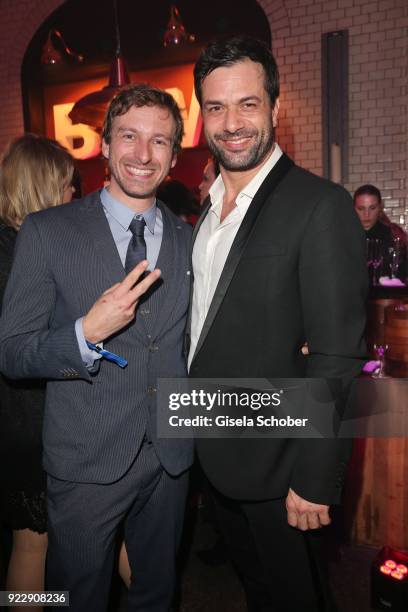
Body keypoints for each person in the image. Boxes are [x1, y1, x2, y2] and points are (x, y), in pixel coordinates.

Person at [188, 36, 367, 611]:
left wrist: (316, 475)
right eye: (216, 107)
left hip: (280, 458)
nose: (232, 122)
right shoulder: (207, 210)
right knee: (255, 590)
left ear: (274, 108)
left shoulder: (319, 204)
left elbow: (339, 354)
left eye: (247, 104)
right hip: (211, 450)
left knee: (297, 598)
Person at [0, 84, 193, 611]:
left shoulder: (189, 239)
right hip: (84, 459)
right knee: (74, 595)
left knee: (156, 592)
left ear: (174, 157)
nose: (143, 154)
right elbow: (13, 352)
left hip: (170, 455)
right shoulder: (47, 231)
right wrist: (85, 332)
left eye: (159, 141)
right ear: (104, 145)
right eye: (129, 136)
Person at [0, 134, 75, 611]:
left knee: (29, 545)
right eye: (67, 186)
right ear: (45, 187)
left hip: (17, 422)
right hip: (36, 422)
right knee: (36, 545)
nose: (74, 195)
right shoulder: (31, 249)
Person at [354, 183, 407, 281]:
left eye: (372, 208)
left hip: (387, 295)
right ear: (354, 209)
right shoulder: (344, 236)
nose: (367, 215)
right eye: (361, 209)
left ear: (380, 207)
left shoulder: (393, 234)